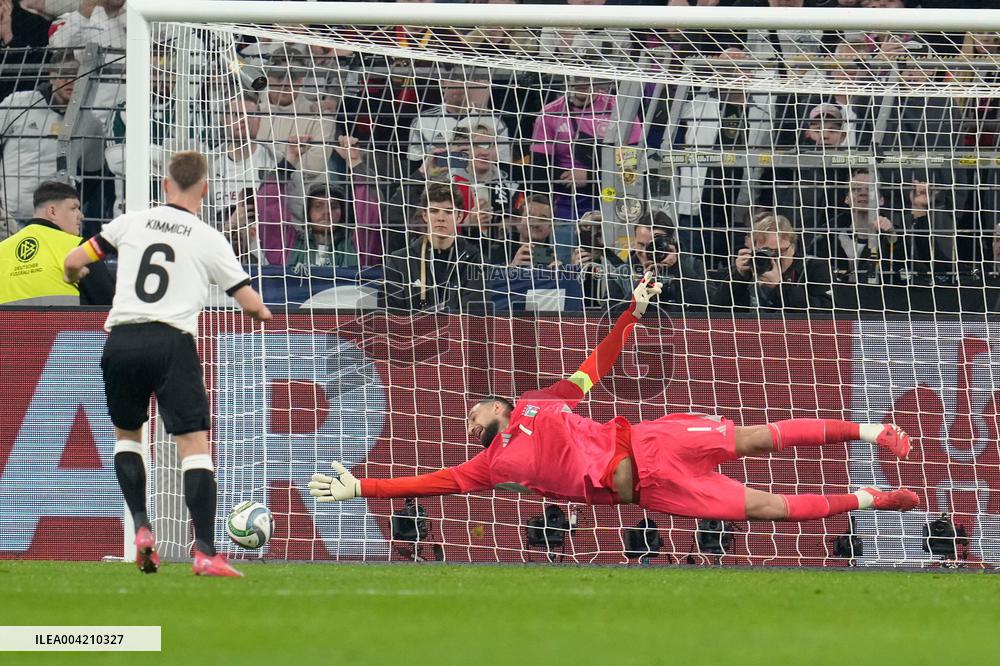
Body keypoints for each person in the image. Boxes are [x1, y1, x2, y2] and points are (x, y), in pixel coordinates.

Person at [309, 273, 919, 523]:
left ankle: (873, 432)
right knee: (766, 508)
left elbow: (592, 369)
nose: (468, 424)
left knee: (757, 436)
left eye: (473, 412)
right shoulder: (490, 466)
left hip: (652, 438)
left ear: (499, 405)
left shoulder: (540, 401)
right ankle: (873, 497)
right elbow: (433, 482)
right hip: (652, 486)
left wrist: (631, 312)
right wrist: (363, 488)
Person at [63, 151, 272, 578]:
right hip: (171, 342)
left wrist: (75, 278)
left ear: (165, 185)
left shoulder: (131, 222)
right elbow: (251, 305)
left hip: (120, 340)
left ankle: (141, 527)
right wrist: (263, 314)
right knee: (193, 447)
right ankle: (207, 552)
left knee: (128, 436)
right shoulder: (208, 237)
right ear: (206, 188)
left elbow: (74, 261)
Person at [0, 181, 113, 305]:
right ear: (52, 211)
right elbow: (109, 301)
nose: (81, 215)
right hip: (67, 324)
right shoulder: (76, 247)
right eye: (74, 208)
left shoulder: (3, 249)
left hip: (8, 325)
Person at [383, 181, 486, 313]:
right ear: (425, 215)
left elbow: (475, 314)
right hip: (413, 332)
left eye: (448, 212)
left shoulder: (476, 261)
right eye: (434, 211)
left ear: (459, 217)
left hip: (458, 333)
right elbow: (390, 316)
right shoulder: (399, 261)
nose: (441, 218)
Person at [717, 214, 834, 311]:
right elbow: (715, 312)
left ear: (793, 247)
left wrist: (779, 287)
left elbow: (828, 312)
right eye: (766, 251)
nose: (774, 257)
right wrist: (738, 278)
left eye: (780, 251)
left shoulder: (815, 267)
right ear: (754, 248)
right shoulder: (748, 267)